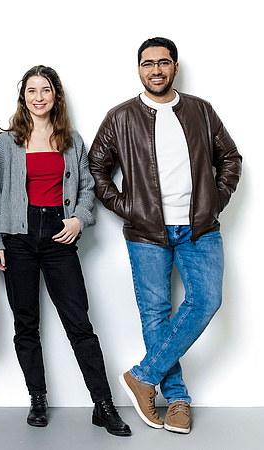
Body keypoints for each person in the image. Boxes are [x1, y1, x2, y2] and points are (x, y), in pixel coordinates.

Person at [89, 37, 241, 434]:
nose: (155, 69)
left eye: (163, 62)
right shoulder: (121, 117)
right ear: (138, 69)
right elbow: (96, 169)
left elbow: (230, 158)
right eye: (148, 63)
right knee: (155, 314)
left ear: (175, 67)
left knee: (207, 300)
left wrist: (214, 202)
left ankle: (143, 376)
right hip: (147, 232)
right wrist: (129, 208)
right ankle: (177, 399)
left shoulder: (201, 111)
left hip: (199, 228)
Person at [0, 65, 130, 436]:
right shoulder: (8, 142)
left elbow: (86, 187)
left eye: (45, 90)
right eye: (31, 91)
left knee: (79, 323)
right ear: (23, 97)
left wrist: (79, 219)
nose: (38, 97)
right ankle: (37, 398)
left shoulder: (72, 140)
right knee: (25, 323)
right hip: (18, 236)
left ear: (55, 95)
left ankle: (103, 404)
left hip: (59, 235)